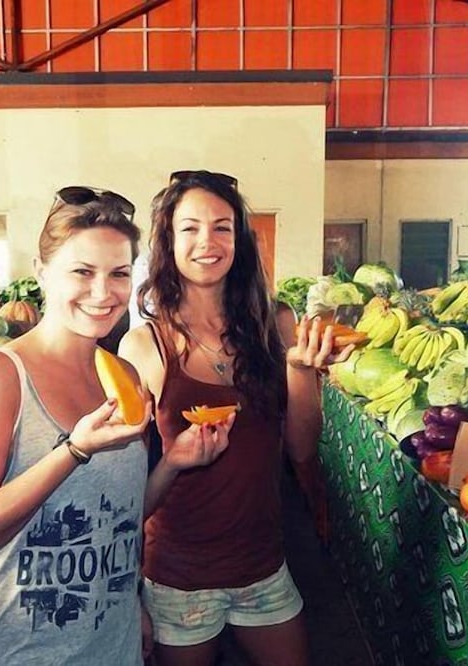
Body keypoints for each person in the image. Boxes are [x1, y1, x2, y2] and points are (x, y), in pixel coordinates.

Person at [0, 186, 231, 665]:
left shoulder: (125, 375)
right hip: (22, 652)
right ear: (42, 272)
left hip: (114, 646)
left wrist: (174, 464)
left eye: (118, 274)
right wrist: (73, 450)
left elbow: (118, 515)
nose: (103, 292)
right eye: (82, 272)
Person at [119, 170, 349, 666]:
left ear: (240, 240)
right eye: (190, 228)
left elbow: (302, 448)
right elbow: (127, 494)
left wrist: (299, 370)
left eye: (222, 227)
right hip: (178, 576)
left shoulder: (276, 324)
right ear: (168, 241)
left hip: (263, 566)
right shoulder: (145, 345)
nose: (208, 241)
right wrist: (128, 592)